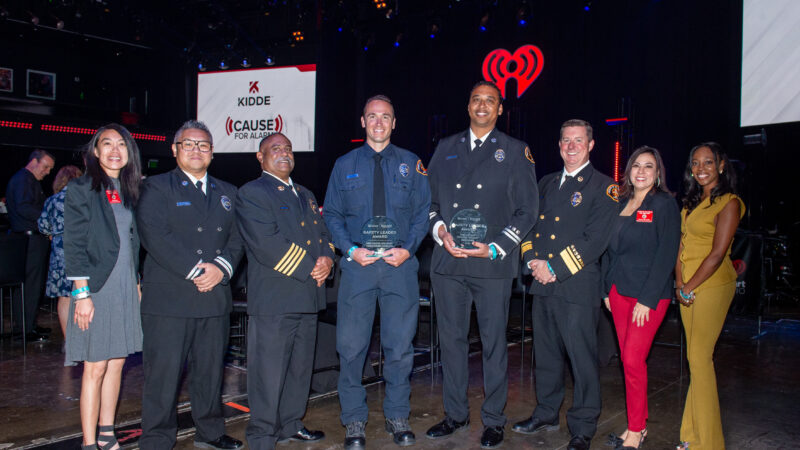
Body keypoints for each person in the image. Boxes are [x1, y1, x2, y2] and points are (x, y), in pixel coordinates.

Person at [425, 81, 538, 449]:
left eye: (490, 100)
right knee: (452, 343)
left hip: (491, 266)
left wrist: (496, 247)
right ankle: (455, 414)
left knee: (493, 345)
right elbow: (428, 204)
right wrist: (440, 231)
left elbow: (528, 211)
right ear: (468, 105)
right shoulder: (445, 148)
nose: (483, 105)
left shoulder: (516, 151)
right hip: (450, 263)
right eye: (476, 99)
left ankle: (493, 419)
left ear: (500, 109)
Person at [323, 95, 431, 449]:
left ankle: (397, 414)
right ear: (363, 121)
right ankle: (354, 420)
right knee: (351, 348)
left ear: (394, 122)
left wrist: (409, 248)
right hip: (358, 268)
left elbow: (421, 214)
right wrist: (350, 250)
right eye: (373, 116)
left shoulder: (411, 164)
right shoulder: (344, 165)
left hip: (399, 267)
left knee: (400, 347)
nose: (379, 122)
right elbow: (332, 215)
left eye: (386, 116)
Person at [137, 120, 244, 450]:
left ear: (212, 153)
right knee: (163, 377)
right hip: (170, 300)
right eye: (189, 144)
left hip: (214, 297)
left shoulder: (229, 192)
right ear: (175, 149)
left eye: (204, 146)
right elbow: (155, 236)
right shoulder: (155, 188)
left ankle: (210, 433)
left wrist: (221, 269)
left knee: (210, 373)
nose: (197, 150)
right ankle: (156, 439)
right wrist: (199, 270)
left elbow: (238, 238)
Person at [513, 119, 618, 450]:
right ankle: (546, 412)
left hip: (575, 286)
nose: (571, 146)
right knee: (544, 356)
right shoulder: (544, 183)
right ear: (559, 145)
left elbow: (595, 240)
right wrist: (531, 262)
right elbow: (528, 225)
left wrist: (555, 268)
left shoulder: (604, 187)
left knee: (581, 358)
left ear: (590, 145)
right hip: (542, 284)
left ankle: (584, 425)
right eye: (565, 141)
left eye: (578, 140)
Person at [237, 132, 334, 450]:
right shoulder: (252, 193)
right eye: (275, 148)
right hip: (276, 300)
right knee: (268, 373)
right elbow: (268, 245)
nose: (284, 153)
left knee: (299, 369)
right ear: (260, 156)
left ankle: (291, 423)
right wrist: (311, 266)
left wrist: (328, 260)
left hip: (307, 297)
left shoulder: (305, 194)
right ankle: (262, 435)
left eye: (288, 149)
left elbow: (322, 234)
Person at [63, 123, 143, 450]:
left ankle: (107, 433)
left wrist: (137, 281)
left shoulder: (132, 189)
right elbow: (74, 243)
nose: (114, 150)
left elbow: (133, 241)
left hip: (125, 285)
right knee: (95, 367)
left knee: (118, 363)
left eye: (121, 144)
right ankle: (88, 441)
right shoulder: (82, 188)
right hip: (96, 287)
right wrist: (82, 294)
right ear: (95, 152)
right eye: (106, 144)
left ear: (129, 152)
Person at [601, 147, 680, 450]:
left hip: (649, 296)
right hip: (618, 293)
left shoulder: (664, 204)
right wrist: (606, 290)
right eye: (637, 165)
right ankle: (639, 425)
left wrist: (647, 300)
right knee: (630, 362)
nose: (642, 171)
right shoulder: (619, 203)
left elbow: (666, 254)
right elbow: (609, 251)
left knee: (633, 360)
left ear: (658, 172)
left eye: (649, 166)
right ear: (628, 171)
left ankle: (635, 430)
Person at [675, 142, 744, 450]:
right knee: (696, 360)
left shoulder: (730, 202)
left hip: (712, 285)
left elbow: (717, 254)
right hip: (686, 285)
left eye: (707, 162)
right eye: (695, 163)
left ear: (721, 165)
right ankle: (691, 436)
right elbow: (681, 246)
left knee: (699, 359)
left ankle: (711, 444)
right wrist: (679, 282)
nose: (701, 168)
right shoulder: (690, 202)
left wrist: (689, 286)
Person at [5, 149, 55, 342]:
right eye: (45, 166)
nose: (48, 172)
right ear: (34, 161)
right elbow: (25, 208)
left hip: (30, 239)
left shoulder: (26, 180)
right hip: (30, 240)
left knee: (31, 285)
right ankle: (25, 329)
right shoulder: (23, 180)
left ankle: (28, 326)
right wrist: (47, 220)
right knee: (30, 285)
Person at [38, 165, 83, 340]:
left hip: (59, 253)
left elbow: (42, 226)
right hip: (81, 249)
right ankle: (83, 339)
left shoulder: (52, 201)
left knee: (64, 298)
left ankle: (68, 340)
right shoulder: (84, 199)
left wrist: (52, 234)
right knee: (82, 292)